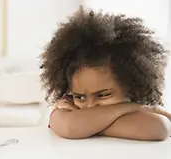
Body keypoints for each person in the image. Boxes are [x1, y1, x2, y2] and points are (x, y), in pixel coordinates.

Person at [40, 7, 171, 141]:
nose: (90, 106)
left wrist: (85, 125)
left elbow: (159, 128)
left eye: (103, 95)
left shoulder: (75, 113)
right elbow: (70, 127)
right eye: (80, 97)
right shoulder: (65, 105)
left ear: (131, 88)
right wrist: (131, 107)